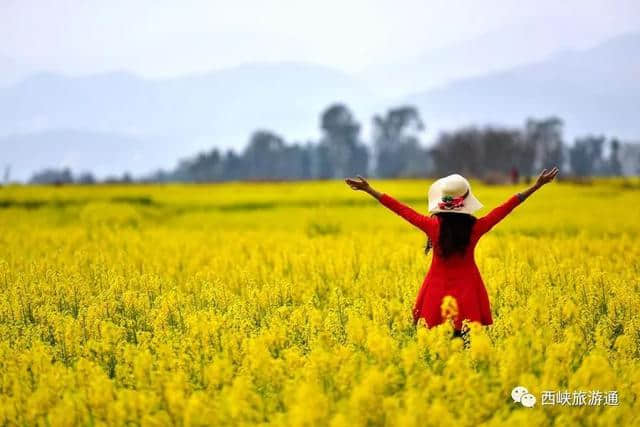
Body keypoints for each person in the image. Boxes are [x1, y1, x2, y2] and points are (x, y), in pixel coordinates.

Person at [344, 167, 559, 343]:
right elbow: (505, 208)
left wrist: (369, 189)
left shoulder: (432, 226)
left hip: (435, 296)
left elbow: (401, 210)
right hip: (468, 296)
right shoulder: (475, 228)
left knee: (437, 350)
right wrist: (536, 186)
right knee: (466, 348)